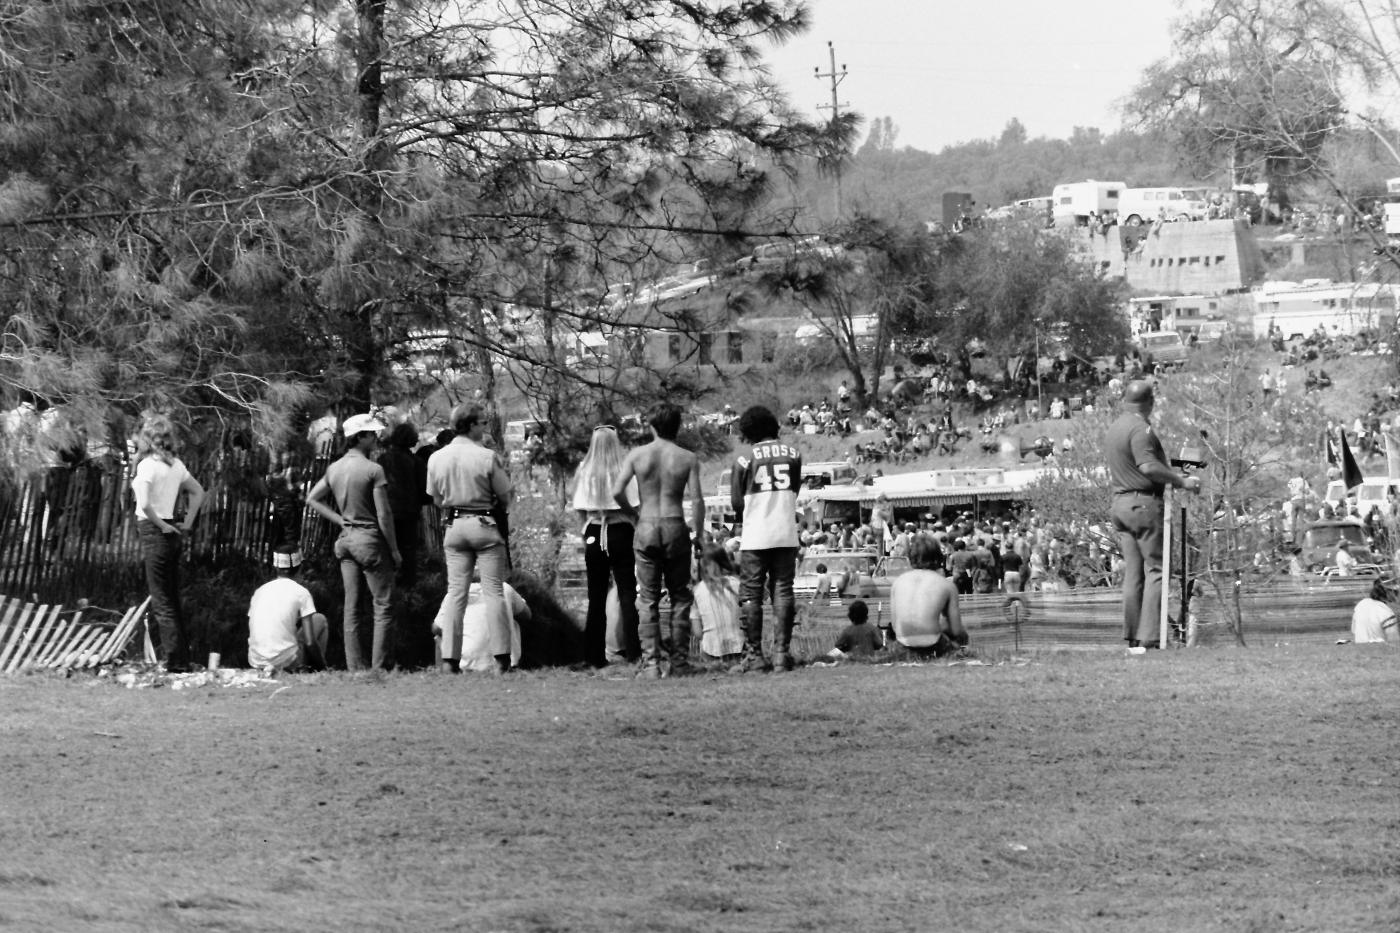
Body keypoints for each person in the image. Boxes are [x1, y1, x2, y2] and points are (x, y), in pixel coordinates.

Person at [1105, 380, 1202, 653]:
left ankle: (1133, 636)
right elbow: (1147, 467)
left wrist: (1170, 474)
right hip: (1144, 505)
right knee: (1158, 570)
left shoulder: (1115, 428)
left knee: (1133, 574)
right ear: (1150, 402)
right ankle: (1151, 637)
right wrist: (1181, 482)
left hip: (1121, 503)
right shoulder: (1141, 429)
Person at [612, 402, 704, 677]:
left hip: (647, 524)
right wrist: (698, 533)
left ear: (651, 425)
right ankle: (679, 663)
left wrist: (634, 513)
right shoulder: (688, 458)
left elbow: (617, 491)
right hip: (675, 525)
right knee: (680, 596)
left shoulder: (638, 455)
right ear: (678, 426)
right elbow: (697, 500)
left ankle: (650, 664)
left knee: (648, 599)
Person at [307, 413, 401, 671]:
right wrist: (393, 549)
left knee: (352, 607)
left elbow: (312, 498)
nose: (376, 437)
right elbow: (383, 514)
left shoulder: (334, 468)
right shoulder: (373, 469)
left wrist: (339, 520)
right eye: (372, 434)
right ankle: (380, 667)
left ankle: (355, 668)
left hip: (345, 540)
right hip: (369, 540)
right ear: (360, 437)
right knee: (383, 604)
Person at [427, 403, 513, 674]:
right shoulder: (486, 456)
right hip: (483, 523)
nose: (485, 428)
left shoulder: (436, 458)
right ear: (472, 425)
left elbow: (436, 498)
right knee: (493, 592)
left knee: (455, 593)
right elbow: (506, 495)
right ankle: (501, 658)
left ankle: (450, 659)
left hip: (454, 526)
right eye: (483, 423)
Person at [729, 405, 803, 673]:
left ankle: (755, 656)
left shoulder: (743, 458)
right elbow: (794, 488)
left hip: (756, 533)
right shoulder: (794, 454)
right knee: (783, 589)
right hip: (785, 530)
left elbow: (737, 502)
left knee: (751, 593)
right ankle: (782, 654)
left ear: (749, 431)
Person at [131, 415, 206, 672]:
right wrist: (187, 522)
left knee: (161, 599)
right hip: (173, 528)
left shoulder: (146, 466)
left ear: (148, 439)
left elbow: (143, 504)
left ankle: (175, 661)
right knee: (172, 597)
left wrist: (161, 525)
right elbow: (198, 492)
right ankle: (182, 658)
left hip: (155, 530)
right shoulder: (176, 465)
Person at [571, 424, 640, 668]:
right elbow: (634, 503)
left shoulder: (584, 470)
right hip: (621, 530)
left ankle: (593, 656)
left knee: (596, 597)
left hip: (594, 530)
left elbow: (578, 507)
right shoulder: (623, 469)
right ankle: (635, 653)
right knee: (628, 594)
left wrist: (584, 532)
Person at [246, 546, 328, 673]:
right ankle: (313, 671)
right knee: (320, 620)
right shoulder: (301, 593)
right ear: (299, 568)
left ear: (276, 567)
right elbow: (310, 642)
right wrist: (324, 668)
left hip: (257, 661)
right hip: (287, 662)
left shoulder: (260, 591)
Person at [888, 537, 968, 655]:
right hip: (933, 645)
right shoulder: (947, 585)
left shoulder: (897, 582)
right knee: (962, 635)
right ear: (938, 557)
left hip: (903, 644)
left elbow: (895, 626)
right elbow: (956, 630)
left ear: (910, 558)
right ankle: (960, 654)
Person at [436, 577, 531, 672]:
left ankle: (446, 672)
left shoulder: (454, 593)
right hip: (505, 663)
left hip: (465, 665)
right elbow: (527, 614)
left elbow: (436, 628)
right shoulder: (504, 588)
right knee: (512, 622)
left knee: (440, 633)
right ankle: (505, 664)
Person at [694, 543, 744, 662]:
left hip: (711, 650)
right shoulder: (738, 584)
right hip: (739, 648)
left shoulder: (697, 591)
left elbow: (697, 632)